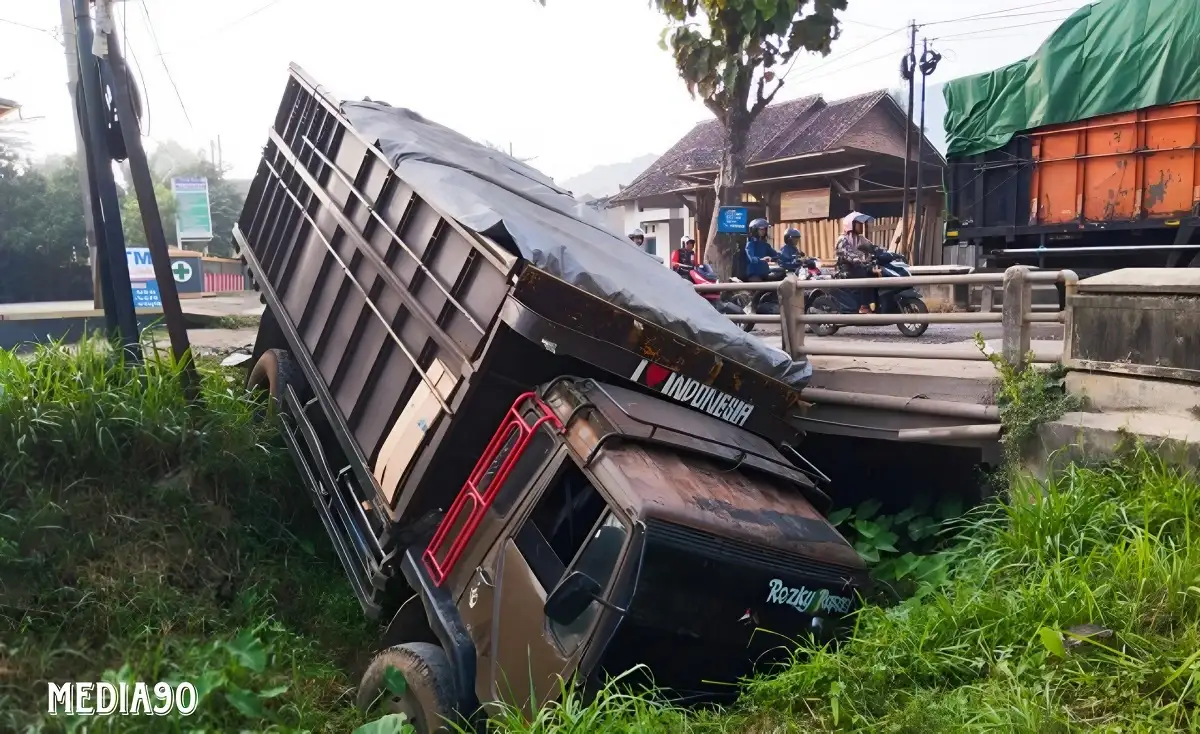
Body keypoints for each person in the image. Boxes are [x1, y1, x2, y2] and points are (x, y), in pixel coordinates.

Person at [835, 214, 876, 314]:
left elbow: (872, 247)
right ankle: (863, 305)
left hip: (858, 267)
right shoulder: (842, 239)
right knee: (864, 275)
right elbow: (847, 253)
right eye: (859, 224)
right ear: (851, 225)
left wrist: (882, 253)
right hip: (846, 269)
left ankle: (873, 304)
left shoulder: (861, 239)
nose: (861, 226)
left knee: (873, 274)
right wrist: (858, 260)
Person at [744, 218, 779, 312]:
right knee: (760, 288)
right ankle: (750, 307)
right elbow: (751, 258)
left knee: (776, 284)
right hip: (754, 274)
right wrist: (761, 259)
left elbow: (775, 254)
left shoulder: (764, 244)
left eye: (764, 229)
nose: (763, 231)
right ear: (755, 230)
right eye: (761, 229)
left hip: (764, 273)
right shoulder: (750, 244)